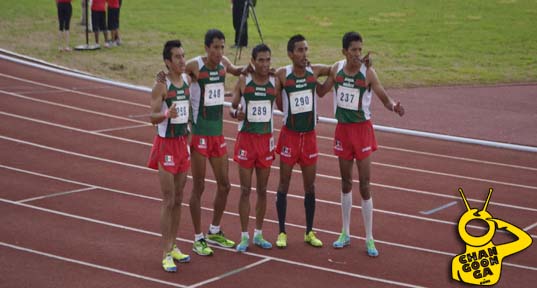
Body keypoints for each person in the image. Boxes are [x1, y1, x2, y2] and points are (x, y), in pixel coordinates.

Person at [317, 31, 405, 257]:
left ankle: (369, 238)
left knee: (365, 185)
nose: (357, 53)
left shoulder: (368, 73)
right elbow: (321, 91)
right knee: (345, 182)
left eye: (360, 49)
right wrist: (306, 76)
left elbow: (384, 98)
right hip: (343, 131)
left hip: (362, 132)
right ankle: (345, 233)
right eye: (353, 50)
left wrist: (395, 106)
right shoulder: (336, 69)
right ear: (344, 52)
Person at [181, 29, 246, 256]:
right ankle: (198, 238)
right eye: (215, 47)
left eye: (222, 47)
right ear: (206, 47)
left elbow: (238, 71)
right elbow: (174, 74)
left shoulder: (223, 64)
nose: (219, 52)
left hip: (217, 135)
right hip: (199, 135)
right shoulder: (194, 65)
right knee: (198, 186)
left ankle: (214, 230)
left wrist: (259, 68)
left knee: (225, 185)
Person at [273, 34, 331, 248]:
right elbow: (274, 96)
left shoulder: (313, 71)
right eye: (300, 50)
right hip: (290, 135)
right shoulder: (282, 74)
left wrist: (362, 64)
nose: (304, 54)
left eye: (306, 49)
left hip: (309, 137)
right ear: (290, 54)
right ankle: (281, 232)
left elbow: (336, 69)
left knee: (310, 186)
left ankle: (309, 231)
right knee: (284, 183)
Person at [229, 43, 280, 252]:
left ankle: (258, 234)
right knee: (245, 190)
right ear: (253, 61)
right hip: (247, 141)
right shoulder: (244, 80)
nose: (265, 64)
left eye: (268, 60)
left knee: (262, 190)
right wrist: (236, 114)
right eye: (261, 60)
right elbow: (233, 106)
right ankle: (244, 236)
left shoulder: (275, 81)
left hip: (265, 141)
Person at [147, 40, 192, 272]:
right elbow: (152, 116)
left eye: (183, 56)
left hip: (182, 145)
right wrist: (167, 113)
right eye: (177, 57)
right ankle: (165, 252)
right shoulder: (161, 85)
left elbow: (188, 115)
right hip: (165, 146)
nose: (182, 60)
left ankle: (174, 245)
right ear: (167, 61)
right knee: (168, 199)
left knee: (179, 198)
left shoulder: (187, 80)